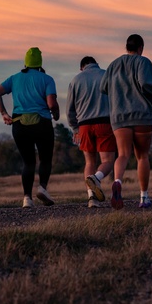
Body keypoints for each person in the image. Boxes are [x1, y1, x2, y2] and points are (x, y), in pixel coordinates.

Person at [100, 34, 152, 209]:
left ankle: (117, 181)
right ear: (141, 48)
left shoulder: (113, 65)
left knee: (122, 154)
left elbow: (103, 88)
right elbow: (145, 83)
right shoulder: (144, 62)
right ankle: (144, 197)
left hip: (120, 117)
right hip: (142, 115)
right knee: (142, 156)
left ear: (127, 47)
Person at [0, 47, 60, 208]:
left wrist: (4, 113)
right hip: (42, 123)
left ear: (26, 62)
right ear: (40, 62)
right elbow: (51, 104)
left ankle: (27, 198)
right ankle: (42, 188)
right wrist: (56, 115)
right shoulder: (47, 79)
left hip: (20, 124)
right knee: (45, 159)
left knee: (28, 162)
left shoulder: (14, 78)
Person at [65, 56, 116, 208]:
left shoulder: (76, 80)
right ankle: (96, 178)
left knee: (89, 162)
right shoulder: (107, 75)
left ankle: (91, 197)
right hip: (105, 123)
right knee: (107, 161)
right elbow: (116, 100)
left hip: (84, 125)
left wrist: (75, 128)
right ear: (96, 64)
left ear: (82, 68)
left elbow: (69, 109)